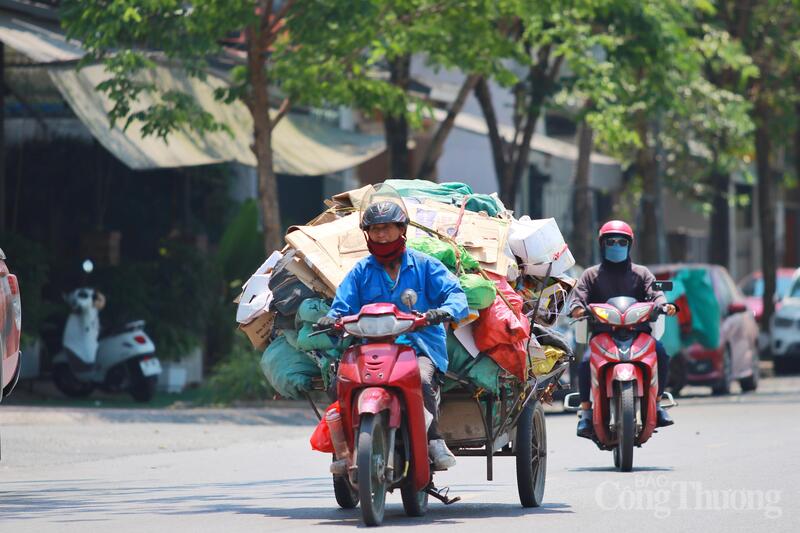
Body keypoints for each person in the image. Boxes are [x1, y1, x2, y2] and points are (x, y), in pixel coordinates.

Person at [315, 200, 469, 469]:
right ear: (367, 235)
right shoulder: (361, 271)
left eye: (387, 228)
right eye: (374, 230)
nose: (381, 235)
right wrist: (333, 318)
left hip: (419, 347)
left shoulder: (424, 265)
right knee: (338, 384)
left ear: (402, 230)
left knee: (421, 380)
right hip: (371, 349)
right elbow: (342, 306)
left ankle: (434, 440)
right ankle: (345, 450)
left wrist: (441, 312)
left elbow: (456, 295)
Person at [569, 220, 676, 439]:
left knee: (662, 353)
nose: (616, 245)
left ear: (629, 245)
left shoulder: (643, 273)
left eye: (621, 241)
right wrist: (577, 309)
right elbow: (577, 299)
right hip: (603, 334)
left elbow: (656, 293)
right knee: (584, 361)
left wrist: (664, 305)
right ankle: (586, 412)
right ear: (602, 245)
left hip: (639, 333)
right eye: (611, 241)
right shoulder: (590, 275)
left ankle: (657, 404)